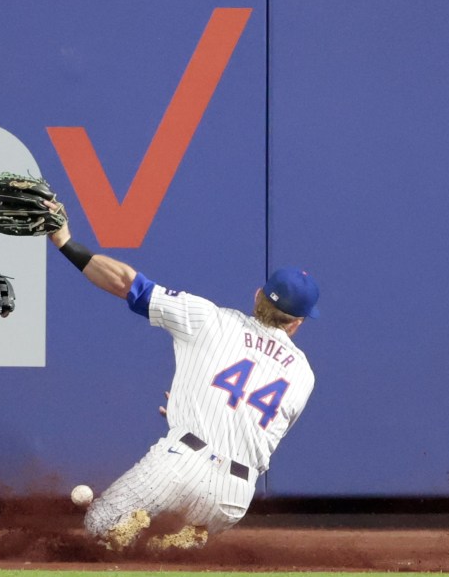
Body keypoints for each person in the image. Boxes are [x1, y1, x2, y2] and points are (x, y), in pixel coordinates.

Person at [47, 216, 318, 552]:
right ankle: (177, 539)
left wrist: (65, 241)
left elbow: (125, 283)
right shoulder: (303, 374)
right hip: (235, 493)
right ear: (296, 324)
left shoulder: (210, 318)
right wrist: (194, 405)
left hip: (181, 462)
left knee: (98, 527)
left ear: (258, 296)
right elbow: (260, 433)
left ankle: (132, 530)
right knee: (158, 553)